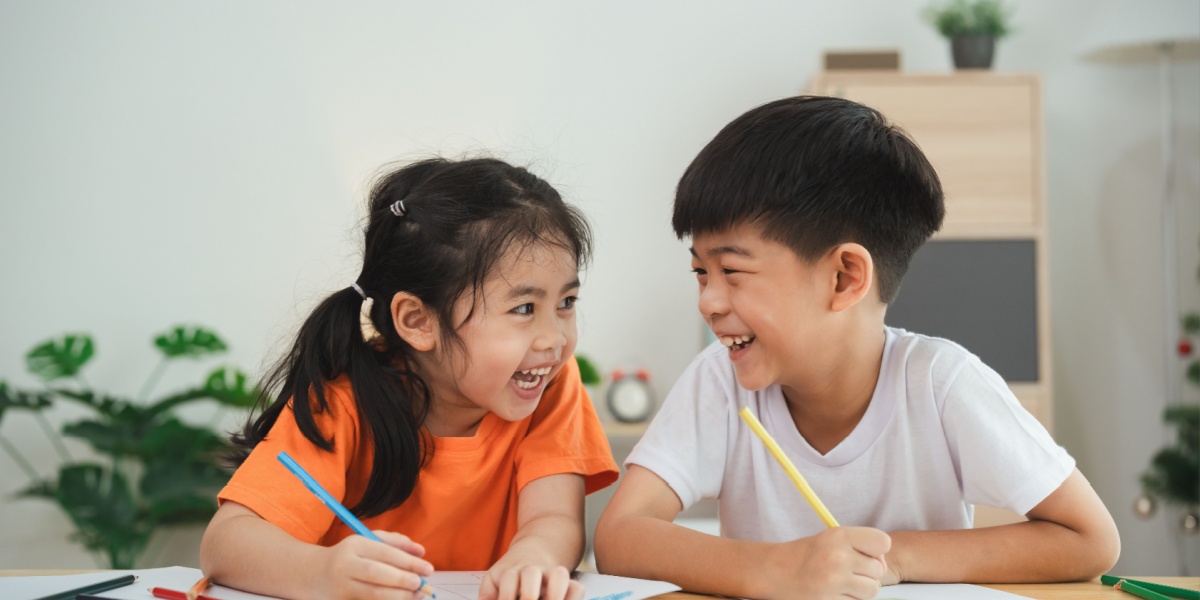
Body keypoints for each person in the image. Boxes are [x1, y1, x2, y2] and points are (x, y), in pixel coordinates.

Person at [594, 96, 1120, 600]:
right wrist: (775, 569)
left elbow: (1090, 539)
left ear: (845, 278)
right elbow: (619, 536)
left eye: (731, 271)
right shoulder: (718, 382)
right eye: (700, 272)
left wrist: (893, 559)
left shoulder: (941, 384)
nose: (708, 301)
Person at [201, 157, 619, 600]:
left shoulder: (550, 386)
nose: (554, 340)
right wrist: (323, 572)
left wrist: (534, 556)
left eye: (567, 302)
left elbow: (553, 519)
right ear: (418, 321)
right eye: (523, 309)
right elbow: (225, 544)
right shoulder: (341, 402)